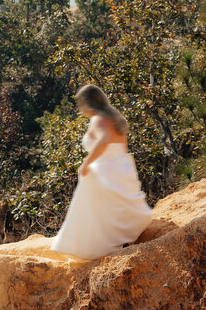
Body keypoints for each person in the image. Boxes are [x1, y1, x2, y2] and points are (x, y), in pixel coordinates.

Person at [50, 84, 152, 259]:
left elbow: (104, 140)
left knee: (95, 211)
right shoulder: (116, 117)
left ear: (88, 103)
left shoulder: (98, 118)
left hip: (105, 168)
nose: (80, 109)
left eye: (81, 104)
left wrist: (87, 163)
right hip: (121, 165)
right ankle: (123, 237)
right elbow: (122, 146)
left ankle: (96, 247)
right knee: (113, 207)